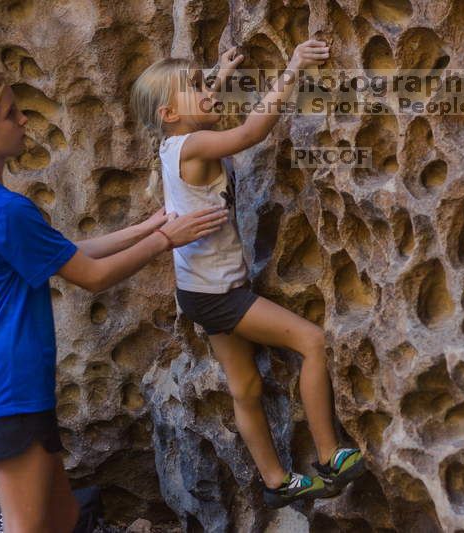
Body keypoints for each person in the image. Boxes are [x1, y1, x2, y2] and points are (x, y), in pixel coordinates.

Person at [0, 69, 229, 532]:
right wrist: (165, 241)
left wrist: (147, 227)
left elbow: (65, 255)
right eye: (11, 114)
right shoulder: (6, 210)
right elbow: (90, 277)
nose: (24, 120)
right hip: (7, 390)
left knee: (66, 516)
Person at [129, 40, 365, 509]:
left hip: (197, 291)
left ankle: (276, 481)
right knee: (310, 341)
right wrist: (294, 66)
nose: (208, 91)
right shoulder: (194, 144)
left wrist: (219, 74)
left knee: (246, 388)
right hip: (221, 295)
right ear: (169, 113)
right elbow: (249, 133)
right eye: (196, 87)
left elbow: (193, 111)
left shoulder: (173, 141)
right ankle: (329, 455)